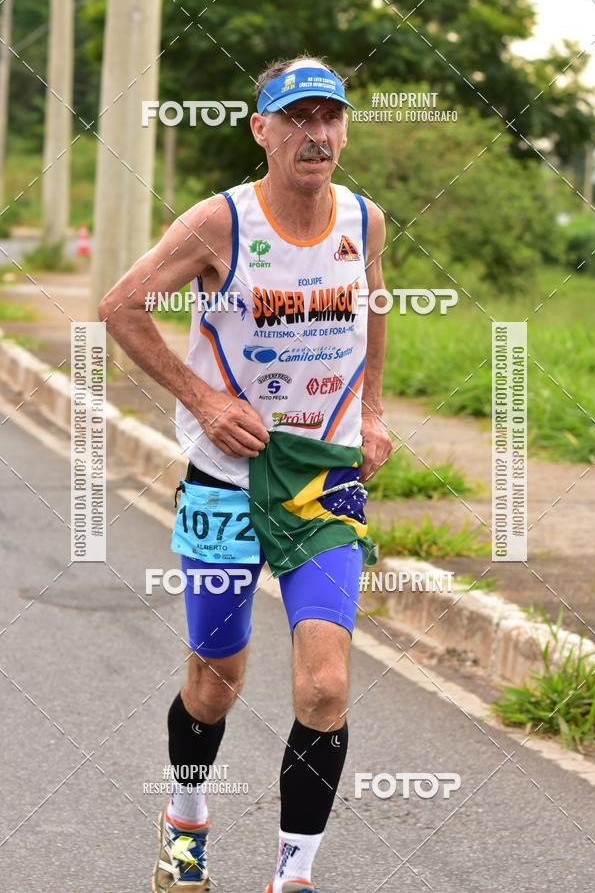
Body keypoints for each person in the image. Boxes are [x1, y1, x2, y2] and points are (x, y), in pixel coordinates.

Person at [99, 53, 392, 893]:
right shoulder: (219, 222)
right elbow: (121, 304)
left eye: (329, 116)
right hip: (226, 476)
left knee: (326, 683)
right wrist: (202, 395)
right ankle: (186, 820)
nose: (317, 133)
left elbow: (374, 303)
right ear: (261, 130)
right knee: (215, 682)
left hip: (323, 480)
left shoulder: (364, 220)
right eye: (297, 118)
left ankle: (292, 875)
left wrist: (372, 411)